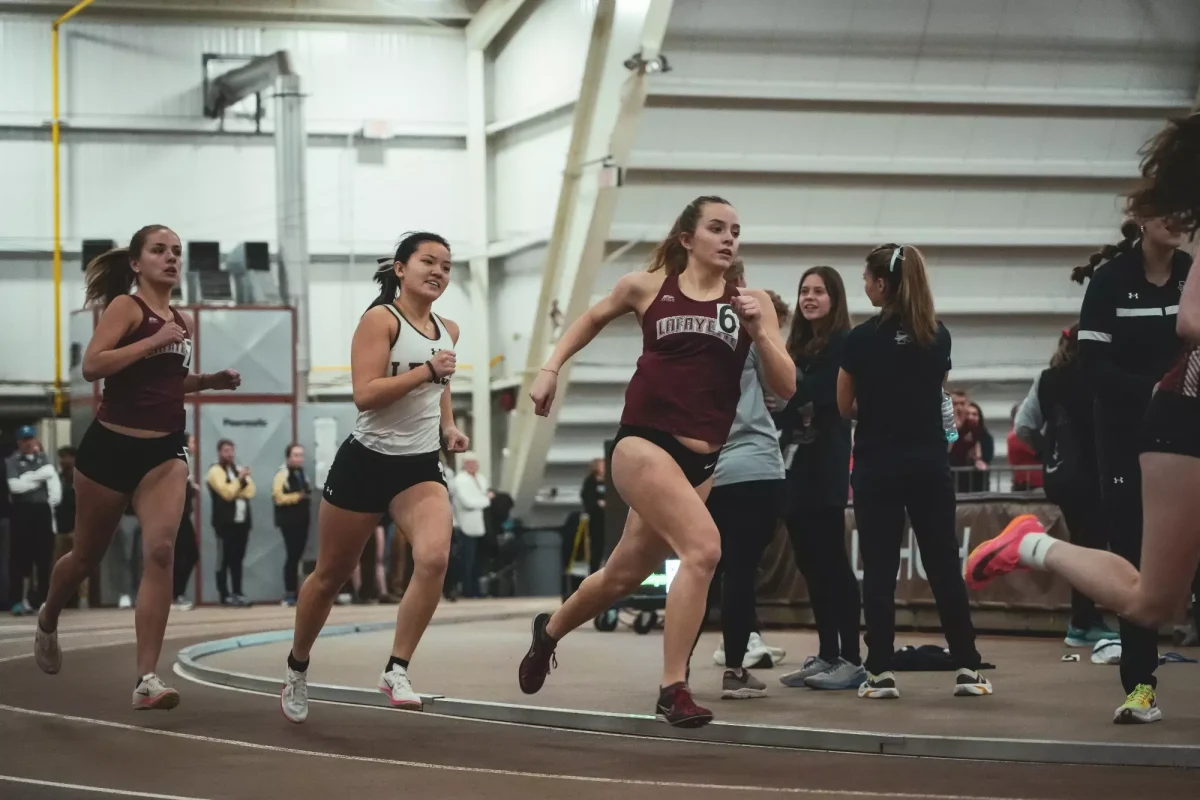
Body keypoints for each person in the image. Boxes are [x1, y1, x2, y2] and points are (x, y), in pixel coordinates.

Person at [517, 195, 795, 727]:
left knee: (623, 575)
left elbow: (786, 387)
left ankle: (548, 630)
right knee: (704, 548)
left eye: (735, 230)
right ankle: (673, 687)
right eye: (717, 228)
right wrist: (551, 367)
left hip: (705, 463)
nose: (729, 238)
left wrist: (760, 332)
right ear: (688, 239)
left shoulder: (750, 301)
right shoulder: (646, 287)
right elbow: (591, 318)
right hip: (644, 444)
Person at [968, 114, 1199, 724]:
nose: (1178, 225)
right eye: (1166, 215)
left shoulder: (1185, 267)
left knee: (1161, 598)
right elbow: (1100, 367)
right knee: (1140, 576)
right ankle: (1139, 685)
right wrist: (1152, 390)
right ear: (1144, 220)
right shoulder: (1111, 282)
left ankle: (1035, 545)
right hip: (1139, 432)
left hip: (1175, 418)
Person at [34, 225, 241, 709]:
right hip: (110, 449)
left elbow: (167, 382)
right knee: (85, 557)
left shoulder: (180, 320)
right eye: (159, 251)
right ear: (136, 262)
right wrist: (153, 341)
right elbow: (94, 365)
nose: (171, 259)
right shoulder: (127, 308)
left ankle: (147, 678)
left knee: (162, 551)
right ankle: (48, 616)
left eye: (176, 253)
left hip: (163, 453)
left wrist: (208, 380)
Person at [280, 231, 469, 725]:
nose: (438, 272)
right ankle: (297, 667)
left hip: (419, 465)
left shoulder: (449, 328)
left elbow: (441, 387)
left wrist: (448, 426)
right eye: (428, 261)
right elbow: (365, 395)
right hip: (366, 460)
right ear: (400, 269)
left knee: (434, 557)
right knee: (330, 577)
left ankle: (397, 668)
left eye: (446, 266)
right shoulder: (379, 320)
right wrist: (426, 370)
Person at [838, 244, 992, 700]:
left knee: (881, 568)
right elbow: (933, 394)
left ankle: (880, 672)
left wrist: (878, 407)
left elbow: (844, 405)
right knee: (944, 564)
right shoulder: (937, 335)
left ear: (883, 284)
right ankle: (967, 666)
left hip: (876, 464)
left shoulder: (860, 339)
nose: (863, 286)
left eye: (866, 279)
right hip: (927, 464)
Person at [693, 261, 791, 700]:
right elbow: (784, 390)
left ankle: (675, 674)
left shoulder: (683, 329)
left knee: (701, 572)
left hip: (700, 470)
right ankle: (734, 670)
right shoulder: (747, 328)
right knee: (740, 572)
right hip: (752, 465)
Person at [775, 266, 864, 690]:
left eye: (818, 292)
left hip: (826, 460)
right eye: (804, 291)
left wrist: (791, 389)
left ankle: (851, 656)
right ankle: (828, 652)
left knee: (832, 561)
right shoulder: (796, 345)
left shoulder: (844, 343)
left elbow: (824, 395)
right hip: (792, 462)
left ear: (835, 299)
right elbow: (786, 403)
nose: (809, 298)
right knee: (809, 563)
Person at [1013, 327, 1118, 646]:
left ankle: (1085, 618)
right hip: (1097, 473)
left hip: (1060, 475)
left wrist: (1046, 450)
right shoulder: (1103, 379)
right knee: (1091, 547)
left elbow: (1023, 427)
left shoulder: (1048, 378)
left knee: (1083, 542)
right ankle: (1082, 622)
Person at [7, 426, 60, 616]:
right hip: (22, 512)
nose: (29, 443)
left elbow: (50, 475)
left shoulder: (43, 458)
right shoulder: (12, 461)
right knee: (21, 557)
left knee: (44, 557)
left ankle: (43, 600)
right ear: (19, 442)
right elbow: (15, 486)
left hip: (41, 511)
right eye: (25, 440)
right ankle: (17, 600)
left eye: (31, 439)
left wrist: (28, 478)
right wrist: (38, 479)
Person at [206, 439, 256, 607]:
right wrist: (240, 482)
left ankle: (238, 592)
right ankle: (224, 594)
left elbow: (250, 491)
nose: (230, 454)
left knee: (237, 559)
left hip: (242, 522)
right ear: (219, 452)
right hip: (224, 523)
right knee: (224, 559)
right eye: (226, 451)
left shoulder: (237, 470)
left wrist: (237, 485)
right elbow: (226, 493)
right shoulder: (215, 471)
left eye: (232, 451)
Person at [272, 443, 312, 606]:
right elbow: (278, 497)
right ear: (288, 457)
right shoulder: (282, 474)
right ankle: (289, 593)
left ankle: (298, 591)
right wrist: (297, 497)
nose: (299, 458)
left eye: (301, 455)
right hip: (289, 521)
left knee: (298, 557)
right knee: (292, 556)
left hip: (302, 520)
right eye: (295, 455)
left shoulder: (302, 474)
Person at [452, 452, 491, 599]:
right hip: (465, 525)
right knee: (467, 561)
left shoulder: (480, 479)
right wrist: (486, 501)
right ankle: (467, 590)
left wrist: (483, 499)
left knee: (477, 562)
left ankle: (476, 590)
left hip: (479, 526)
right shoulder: (460, 480)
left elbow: (483, 494)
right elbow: (469, 503)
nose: (475, 466)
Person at [53, 446, 85, 609]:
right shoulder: (57, 479)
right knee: (60, 565)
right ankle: (63, 599)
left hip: (76, 529)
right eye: (61, 457)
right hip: (60, 528)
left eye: (66, 457)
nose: (63, 461)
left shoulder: (80, 479)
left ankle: (79, 599)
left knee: (78, 566)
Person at [171, 433, 200, 611]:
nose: (195, 444)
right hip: (177, 515)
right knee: (184, 554)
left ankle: (177, 594)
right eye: (192, 441)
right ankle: (176, 596)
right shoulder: (181, 458)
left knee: (188, 554)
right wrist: (191, 488)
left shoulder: (187, 460)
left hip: (184, 514)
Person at [580, 458, 607, 574]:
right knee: (596, 548)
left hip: (609, 520)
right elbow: (587, 498)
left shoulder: (610, 481)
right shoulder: (590, 482)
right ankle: (594, 572)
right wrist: (597, 503)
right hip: (596, 520)